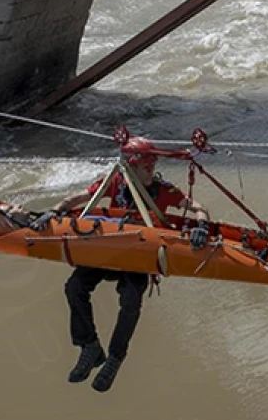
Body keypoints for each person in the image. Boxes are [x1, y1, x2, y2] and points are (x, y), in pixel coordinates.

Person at [48, 136, 210, 393]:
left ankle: (115, 357)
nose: (150, 168)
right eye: (145, 165)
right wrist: (55, 211)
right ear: (131, 167)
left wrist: (201, 225)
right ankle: (89, 346)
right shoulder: (115, 184)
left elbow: (198, 207)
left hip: (139, 254)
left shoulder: (163, 190)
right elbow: (77, 199)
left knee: (131, 300)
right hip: (110, 250)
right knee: (75, 287)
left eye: (151, 164)